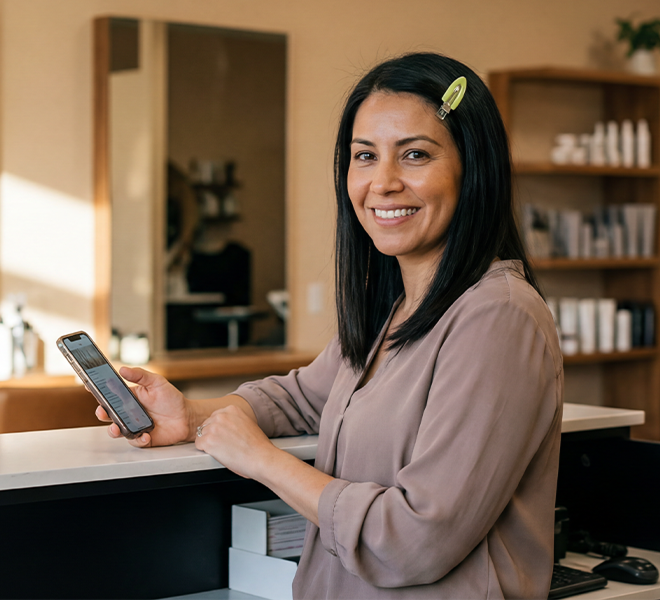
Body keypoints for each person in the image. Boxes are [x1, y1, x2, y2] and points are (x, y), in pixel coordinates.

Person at [98, 52, 562, 599]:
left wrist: (262, 461)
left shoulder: (499, 316)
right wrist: (193, 416)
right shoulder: (394, 309)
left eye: (414, 154)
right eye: (365, 156)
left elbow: (416, 540)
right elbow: (303, 398)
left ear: (474, 169)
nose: (383, 182)